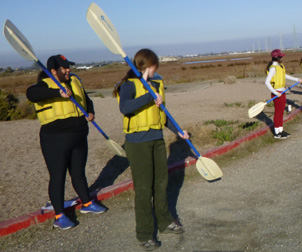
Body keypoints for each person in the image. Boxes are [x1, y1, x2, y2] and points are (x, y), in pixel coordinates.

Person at [114, 49, 189, 251]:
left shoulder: (156, 85)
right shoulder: (128, 85)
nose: (157, 70)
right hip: (137, 143)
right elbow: (125, 108)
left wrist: (179, 131)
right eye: (156, 66)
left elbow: (163, 116)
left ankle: (164, 222)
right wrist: (149, 97)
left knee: (161, 183)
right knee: (144, 188)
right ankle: (145, 234)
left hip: (157, 140)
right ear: (149, 65)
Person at [26, 55, 107, 230]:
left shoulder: (75, 81)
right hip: (55, 140)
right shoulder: (44, 85)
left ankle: (87, 204)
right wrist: (58, 92)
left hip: (79, 136)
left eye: (68, 67)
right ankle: (59, 215)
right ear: (53, 71)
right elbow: (31, 94)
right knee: (58, 176)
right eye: (64, 68)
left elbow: (87, 100)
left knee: (78, 173)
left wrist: (90, 111)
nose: (68, 70)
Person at [265, 49, 302, 139]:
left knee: (281, 112)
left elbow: (284, 75)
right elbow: (267, 82)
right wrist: (275, 93)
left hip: (282, 92)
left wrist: (296, 79)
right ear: (276, 57)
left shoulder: (280, 66)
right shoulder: (273, 68)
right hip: (277, 93)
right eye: (280, 56)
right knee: (278, 113)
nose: (282, 57)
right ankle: (277, 133)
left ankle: (280, 130)